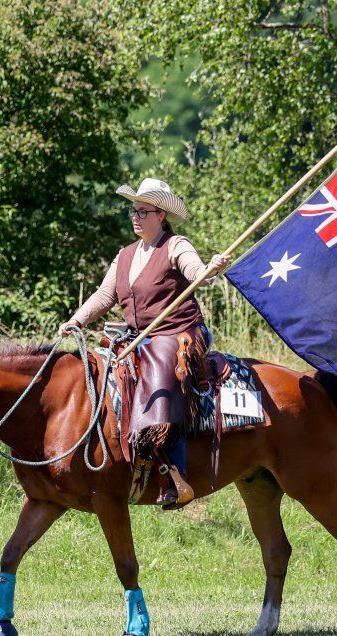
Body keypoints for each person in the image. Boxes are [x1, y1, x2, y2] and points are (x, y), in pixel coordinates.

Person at [58, 178, 229, 506]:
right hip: (138, 336)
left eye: (143, 211)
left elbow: (197, 274)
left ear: (161, 214)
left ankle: (175, 476)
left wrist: (211, 269)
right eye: (133, 211)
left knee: (161, 368)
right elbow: (106, 294)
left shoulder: (176, 245)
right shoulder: (124, 255)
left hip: (179, 333)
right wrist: (77, 320)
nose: (136, 217)